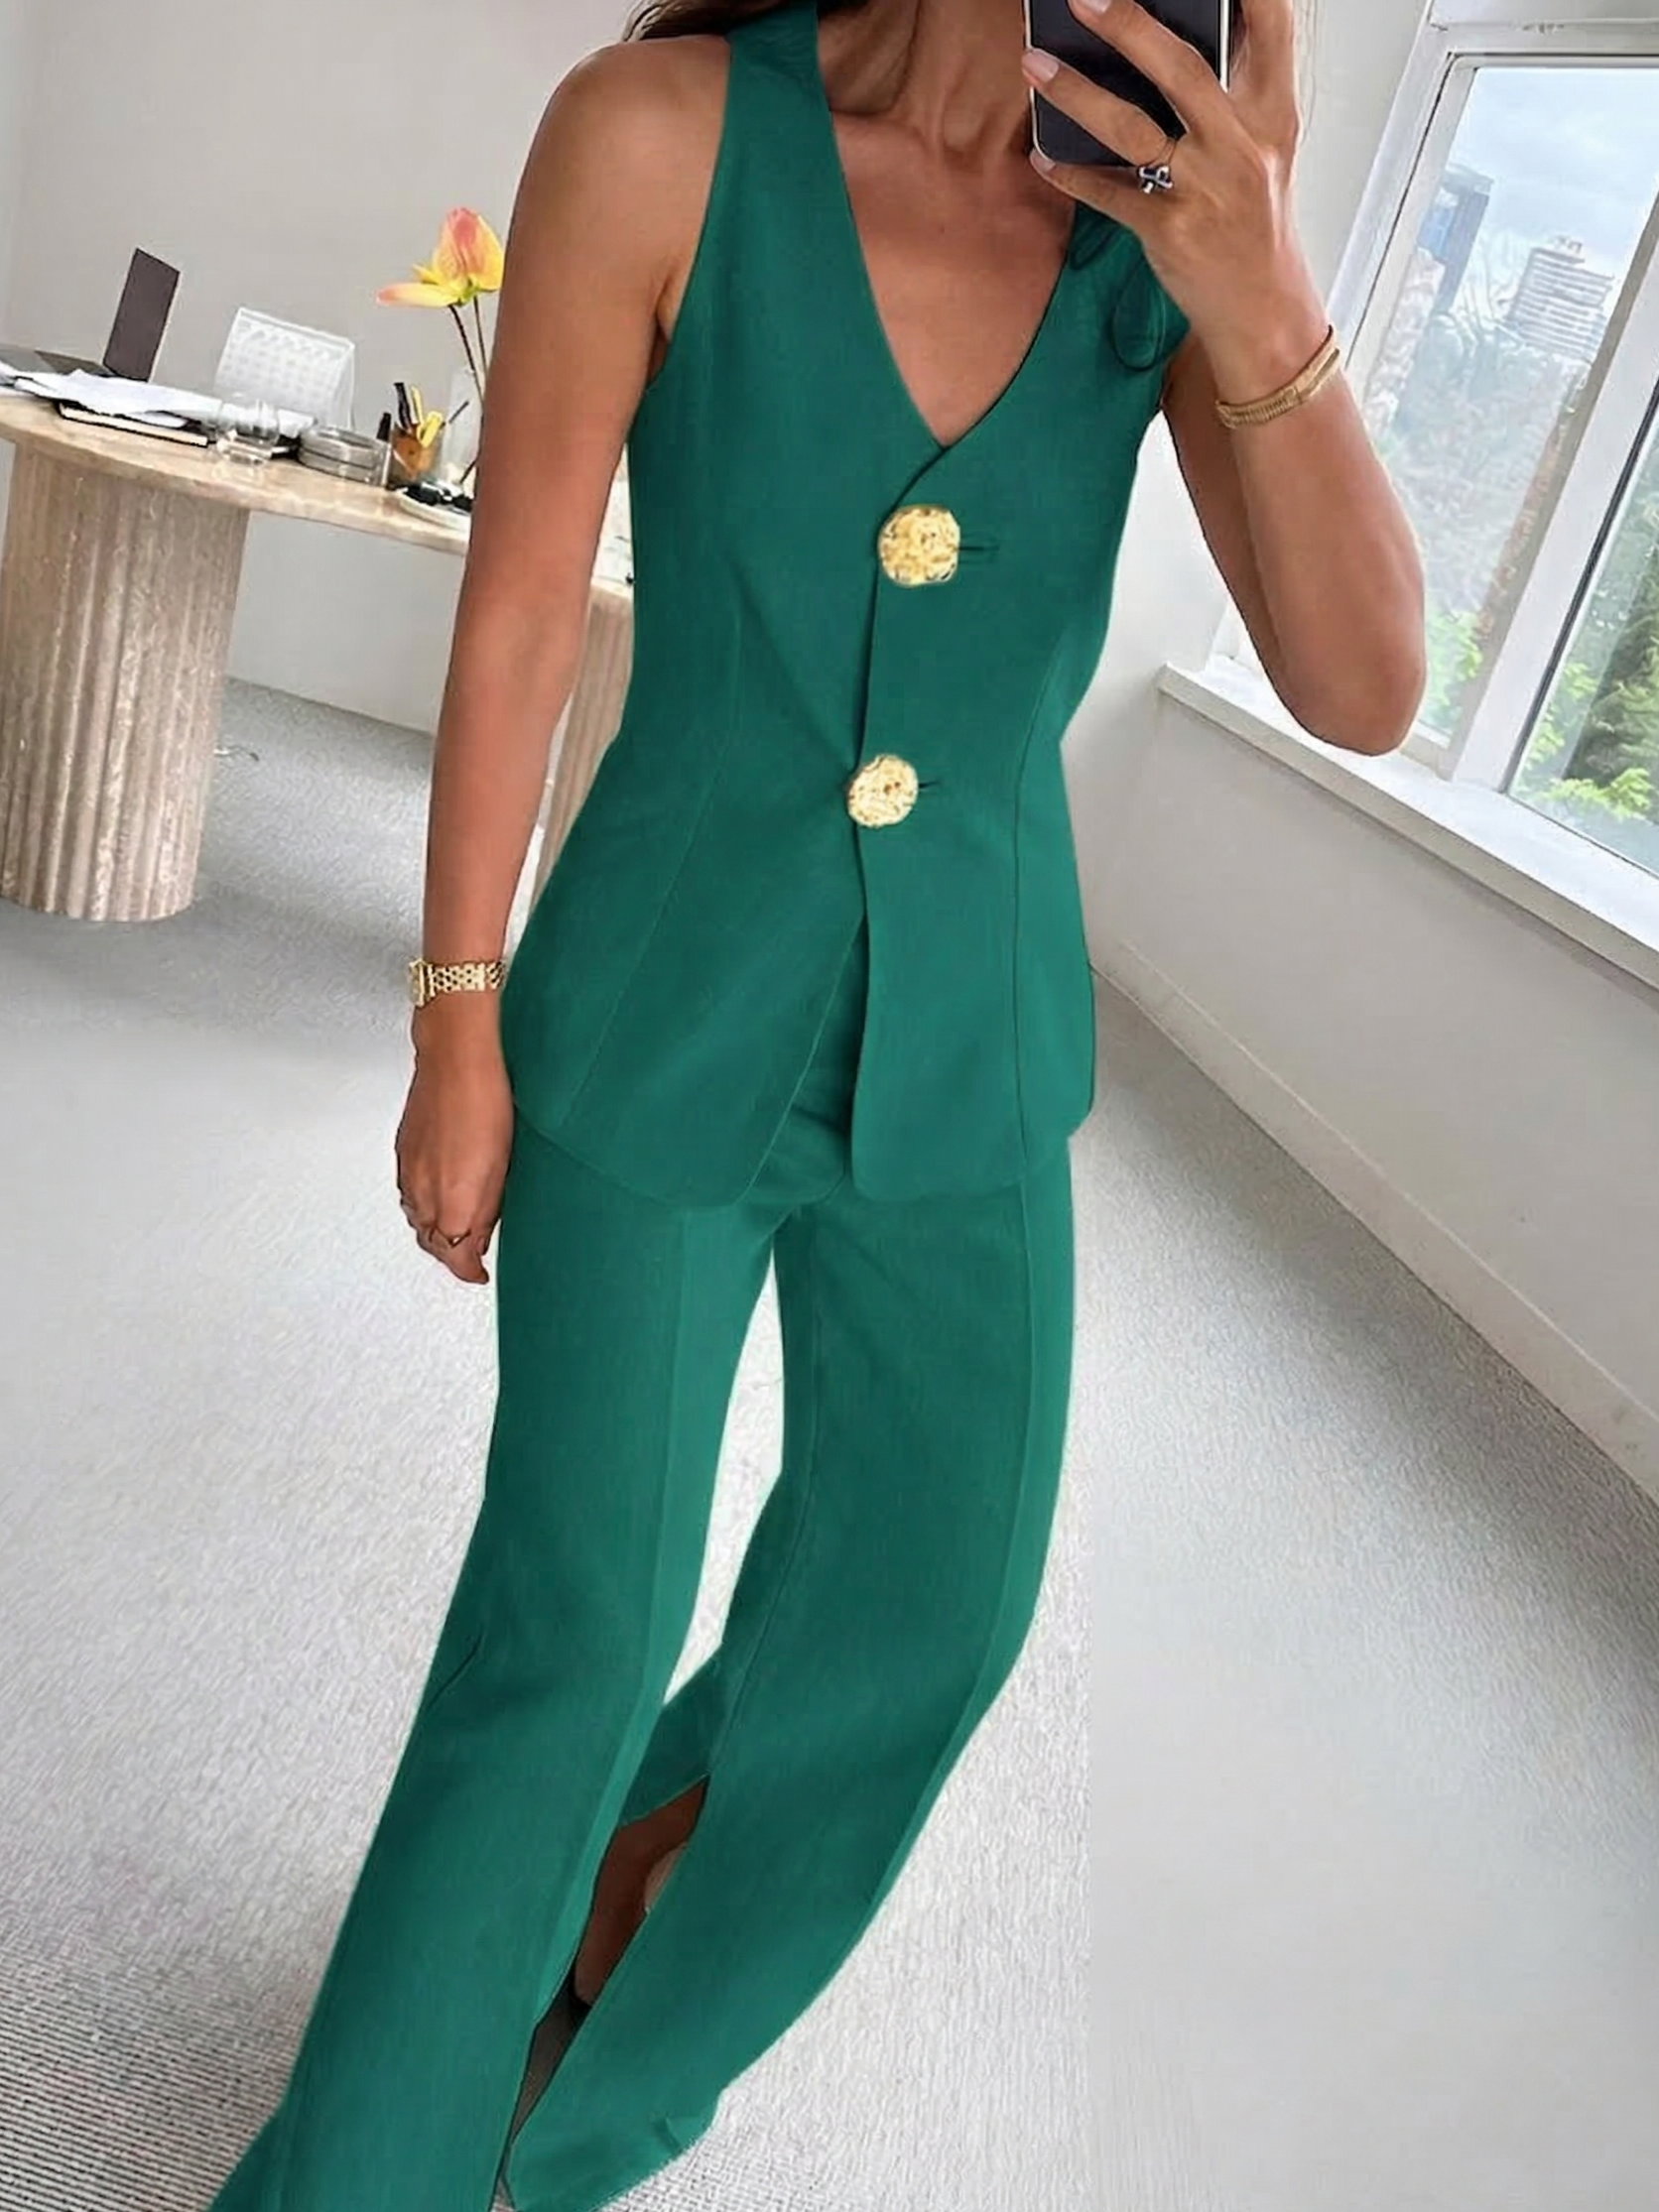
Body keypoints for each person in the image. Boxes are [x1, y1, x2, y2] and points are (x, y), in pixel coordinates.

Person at [206, 2, 1423, 2208]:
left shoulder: (1163, 231)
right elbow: (518, 610)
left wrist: (1258, 282)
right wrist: (454, 1013)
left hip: (977, 1048)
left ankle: (600, 2041)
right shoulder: (657, 133)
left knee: (930, 1610)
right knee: (571, 1640)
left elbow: (1363, 685)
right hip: (656, 1012)